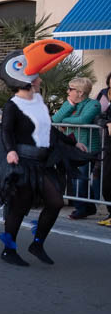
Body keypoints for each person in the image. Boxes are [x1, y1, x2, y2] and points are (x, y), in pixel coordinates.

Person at [0, 39, 90, 267]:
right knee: (18, 207)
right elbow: (6, 131)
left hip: (40, 164)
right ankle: (8, 250)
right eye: (37, 77)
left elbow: (48, 130)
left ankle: (37, 243)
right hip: (22, 163)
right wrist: (10, 151)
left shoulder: (38, 104)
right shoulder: (13, 105)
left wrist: (72, 143)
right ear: (28, 81)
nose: (40, 80)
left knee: (55, 202)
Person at [52, 77, 102, 220]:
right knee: (76, 178)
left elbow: (83, 120)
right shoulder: (69, 103)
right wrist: (69, 106)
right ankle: (88, 207)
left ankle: (82, 208)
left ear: (80, 92)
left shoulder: (94, 104)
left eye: (71, 89)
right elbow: (55, 120)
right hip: (72, 147)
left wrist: (65, 120)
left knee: (80, 179)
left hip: (87, 148)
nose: (68, 92)